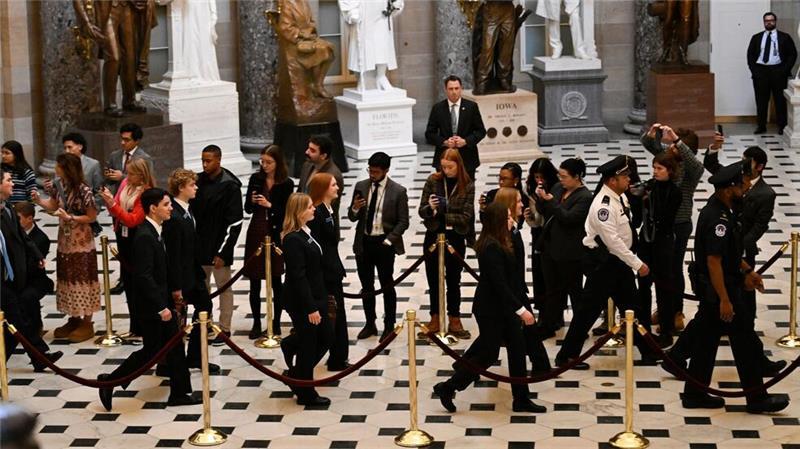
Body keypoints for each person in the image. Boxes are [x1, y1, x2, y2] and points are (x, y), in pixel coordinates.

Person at [680, 162, 789, 414]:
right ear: (729, 189)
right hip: (722, 291)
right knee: (746, 343)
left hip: (718, 291)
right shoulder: (717, 218)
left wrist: (747, 271)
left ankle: (695, 393)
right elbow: (713, 261)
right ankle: (757, 398)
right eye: (741, 186)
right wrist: (725, 300)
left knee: (706, 343)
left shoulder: (721, 210)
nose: (745, 189)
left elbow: (728, 254)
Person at [432, 202, 546, 414]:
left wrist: (515, 230)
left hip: (504, 307)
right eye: (508, 216)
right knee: (488, 353)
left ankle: (521, 399)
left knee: (517, 350)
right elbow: (499, 285)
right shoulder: (490, 246)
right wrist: (521, 310)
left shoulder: (503, 239)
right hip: (491, 309)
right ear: (498, 221)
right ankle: (448, 387)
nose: (512, 219)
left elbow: (517, 264)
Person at [97, 188, 201, 411]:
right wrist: (161, 306)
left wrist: (173, 292)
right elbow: (143, 276)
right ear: (153, 208)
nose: (170, 207)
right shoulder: (144, 236)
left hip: (160, 301)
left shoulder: (155, 230)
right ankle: (110, 381)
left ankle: (180, 393)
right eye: (166, 204)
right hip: (152, 306)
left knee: (168, 348)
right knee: (153, 350)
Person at [554, 155, 657, 369]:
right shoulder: (603, 206)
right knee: (587, 311)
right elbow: (614, 243)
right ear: (612, 180)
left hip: (617, 264)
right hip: (604, 264)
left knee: (632, 308)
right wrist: (638, 264)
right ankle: (566, 356)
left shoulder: (620, 196)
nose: (629, 179)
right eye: (624, 176)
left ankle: (648, 351)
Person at [31, 153, 101, 343]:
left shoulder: (84, 190)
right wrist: (38, 200)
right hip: (65, 240)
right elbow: (53, 205)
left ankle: (87, 321)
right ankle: (73, 317)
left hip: (82, 242)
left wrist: (71, 218)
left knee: (83, 278)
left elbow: (91, 216)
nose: (56, 168)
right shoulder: (59, 186)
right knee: (68, 278)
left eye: (59, 166)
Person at [641, 123, 704, 332]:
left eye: (675, 147)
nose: (670, 149)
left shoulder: (690, 170)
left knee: (674, 270)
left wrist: (677, 139)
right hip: (660, 225)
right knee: (660, 269)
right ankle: (664, 308)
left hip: (679, 225)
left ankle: (676, 312)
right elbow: (652, 147)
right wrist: (652, 135)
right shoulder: (670, 163)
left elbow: (697, 166)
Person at [0, 169, 63, 372]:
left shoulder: (8, 208)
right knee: (17, 320)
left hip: (12, 278)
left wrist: (37, 255)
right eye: (9, 181)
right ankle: (40, 357)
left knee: (16, 322)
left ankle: (38, 358)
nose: (13, 184)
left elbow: (22, 236)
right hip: (2, 280)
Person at [162, 169, 220, 374]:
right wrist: (176, 286)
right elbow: (174, 254)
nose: (196, 187)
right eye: (191, 185)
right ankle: (170, 361)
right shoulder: (175, 215)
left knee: (204, 306)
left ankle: (193, 356)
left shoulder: (186, 210)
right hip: (182, 277)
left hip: (192, 274)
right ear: (181, 188)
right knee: (181, 318)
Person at [279, 193, 334, 406]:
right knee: (310, 343)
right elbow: (298, 276)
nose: (314, 209)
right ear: (299, 211)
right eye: (310, 207)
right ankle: (305, 392)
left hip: (315, 296)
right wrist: (310, 307)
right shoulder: (293, 239)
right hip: (302, 302)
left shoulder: (306, 233)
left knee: (325, 337)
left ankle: (296, 371)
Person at [348, 152, 409, 340]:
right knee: (367, 286)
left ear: (386, 170)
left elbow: (403, 221)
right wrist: (356, 208)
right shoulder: (361, 186)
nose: (371, 174)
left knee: (386, 285)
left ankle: (389, 324)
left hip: (384, 243)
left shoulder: (398, 191)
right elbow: (352, 217)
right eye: (369, 170)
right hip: (364, 242)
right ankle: (370, 323)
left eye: (375, 171)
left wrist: (389, 240)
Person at [493, 187, 551, 375]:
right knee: (490, 344)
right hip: (509, 294)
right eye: (518, 201)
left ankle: (541, 366)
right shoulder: (502, 235)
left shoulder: (513, 228)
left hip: (516, 290)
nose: (522, 204)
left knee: (527, 330)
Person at [418, 148, 475, 339]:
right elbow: (421, 211)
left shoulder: (467, 185)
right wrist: (431, 209)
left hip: (456, 236)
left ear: (458, 165)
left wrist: (444, 212)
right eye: (443, 167)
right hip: (433, 234)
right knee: (433, 279)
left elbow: (466, 216)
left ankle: (454, 318)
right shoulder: (433, 180)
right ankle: (435, 317)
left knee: (453, 279)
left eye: (450, 167)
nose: (446, 170)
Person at [533, 158, 592, 337]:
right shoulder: (558, 188)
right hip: (550, 247)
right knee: (552, 290)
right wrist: (541, 199)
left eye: (565, 176)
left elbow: (568, 218)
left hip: (571, 253)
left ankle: (579, 328)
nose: (561, 179)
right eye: (560, 175)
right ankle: (550, 324)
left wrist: (550, 202)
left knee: (575, 292)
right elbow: (546, 212)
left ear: (577, 177)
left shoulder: (585, 197)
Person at [192, 145, 243, 344]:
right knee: (201, 289)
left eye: (209, 160)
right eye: (203, 160)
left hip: (220, 246)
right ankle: (205, 323)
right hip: (200, 246)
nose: (205, 164)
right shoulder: (197, 181)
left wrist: (223, 251)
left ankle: (224, 328)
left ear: (219, 160)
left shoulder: (230, 186)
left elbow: (235, 223)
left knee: (223, 288)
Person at [99, 158, 155, 337]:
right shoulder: (124, 183)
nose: (126, 176)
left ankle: (144, 326)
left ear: (141, 175)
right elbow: (115, 209)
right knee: (129, 283)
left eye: (131, 173)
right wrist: (110, 202)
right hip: (122, 237)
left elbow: (133, 220)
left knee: (139, 284)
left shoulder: (146, 192)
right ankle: (134, 326)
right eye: (127, 172)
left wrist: (113, 205)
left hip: (138, 238)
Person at [243, 145, 294, 339]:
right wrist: (253, 201)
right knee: (254, 281)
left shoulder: (286, 183)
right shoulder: (255, 179)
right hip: (256, 230)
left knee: (276, 280)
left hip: (274, 233)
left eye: (268, 162)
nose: (264, 165)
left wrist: (270, 205)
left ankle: (276, 322)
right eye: (262, 161)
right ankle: (256, 322)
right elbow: (247, 208)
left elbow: (287, 211)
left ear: (277, 163)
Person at [72, 0, 154, 116]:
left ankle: (129, 101)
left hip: (128, 8)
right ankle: (110, 104)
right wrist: (85, 22)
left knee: (130, 58)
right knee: (114, 58)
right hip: (107, 12)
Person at [636, 152, 682, 347]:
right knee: (643, 286)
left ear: (670, 171)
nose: (655, 172)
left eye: (659, 169)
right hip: (646, 241)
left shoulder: (674, 192)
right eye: (654, 168)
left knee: (664, 288)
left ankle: (666, 329)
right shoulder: (650, 187)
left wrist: (648, 201)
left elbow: (665, 219)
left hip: (662, 243)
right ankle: (643, 327)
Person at [307, 173, 348, 371]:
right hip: (325, 274)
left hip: (332, 270)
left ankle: (339, 357)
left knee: (338, 315)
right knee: (333, 316)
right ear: (323, 189)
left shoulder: (328, 210)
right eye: (333, 185)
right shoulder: (317, 214)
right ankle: (335, 357)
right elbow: (319, 248)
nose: (337, 187)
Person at [425, 75, 486, 180]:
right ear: (446, 90)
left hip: (467, 158)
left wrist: (466, 141)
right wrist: (444, 142)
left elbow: (481, 131)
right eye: (451, 89)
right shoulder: (438, 108)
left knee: (467, 191)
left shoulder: (471, 107)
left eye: (456, 88)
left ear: (461, 88)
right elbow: (429, 134)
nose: (454, 92)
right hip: (445, 158)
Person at [747, 12, 797, 135]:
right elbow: (750, 55)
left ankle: (782, 126)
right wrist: (755, 71)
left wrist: (784, 70)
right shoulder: (756, 37)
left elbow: (792, 54)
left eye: (771, 20)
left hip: (778, 72)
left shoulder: (785, 37)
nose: (769, 22)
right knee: (761, 100)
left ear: (775, 21)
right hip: (761, 72)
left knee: (780, 100)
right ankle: (761, 126)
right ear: (764, 22)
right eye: (766, 20)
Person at [274, 0, 335, 100]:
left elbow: (311, 21)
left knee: (330, 48)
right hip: (295, 43)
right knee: (323, 50)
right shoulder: (287, 4)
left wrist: (310, 30)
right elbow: (285, 28)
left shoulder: (304, 2)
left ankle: (318, 84)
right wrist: (301, 34)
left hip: (308, 39)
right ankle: (317, 86)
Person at [338, 0, 404, 91]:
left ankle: (381, 76)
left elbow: (396, 4)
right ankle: (364, 78)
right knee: (365, 46)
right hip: (364, 13)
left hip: (382, 14)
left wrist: (396, 4)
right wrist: (351, 12)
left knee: (382, 44)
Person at [524, 158, 559, 312]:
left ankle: (555, 311)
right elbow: (536, 221)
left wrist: (545, 200)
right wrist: (529, 217)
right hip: (538, 233)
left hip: (554, 233)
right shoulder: (530, 190)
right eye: (536, 177)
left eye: (542, 177)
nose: (539, 180)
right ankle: (542, 308)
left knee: (553, 275)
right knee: (538, 271)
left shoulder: (557, 189)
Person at [298, 135, 345, 225]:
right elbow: (301, 190)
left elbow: (330, 206)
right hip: (304, 220)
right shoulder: (307, 165)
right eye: (308, 148)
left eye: (312, 150)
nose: (307, 152)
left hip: (321, 225)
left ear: (323, 156)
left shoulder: (333, 175)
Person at [104, 123, 154, 196]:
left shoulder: (144, 158)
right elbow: (108, 181)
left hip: (135, 196)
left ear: (137, 141)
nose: (122, 142)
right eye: (122, 138)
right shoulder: (114, 155)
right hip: (116, 197)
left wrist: (122, 177)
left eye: (127, 140)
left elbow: (147, 181)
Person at [183, 0, 221, 82]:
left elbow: (212, 6)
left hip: (204, 17)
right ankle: (192, 73)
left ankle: (205, 74)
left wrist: (213, 23)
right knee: (191, 43)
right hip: (189, 14)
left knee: (205, 44)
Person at [62, 132, 104, 204]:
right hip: (66, 207)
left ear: (80, 147)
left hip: (86, 207)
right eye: (65, 148)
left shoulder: (93, 164)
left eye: (69, 147)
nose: (67, 151)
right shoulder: (61, 164)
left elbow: (99, 190)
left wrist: (95, 207)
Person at [1, 141, 36, 205]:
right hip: (4, 208)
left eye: (7, 153)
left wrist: (29, 209)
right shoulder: (1, 170)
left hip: (21, 209)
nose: (3, 156)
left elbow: (32, 194)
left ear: (16, 154)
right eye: (2, 152)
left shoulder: (27, 172)